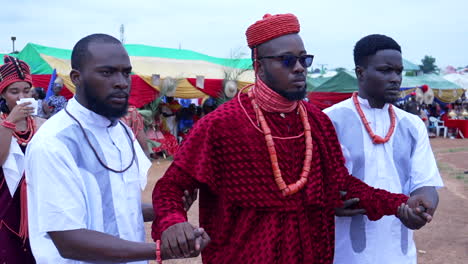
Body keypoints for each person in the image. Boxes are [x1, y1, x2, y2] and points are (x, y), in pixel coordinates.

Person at [152, 14, 432, 264]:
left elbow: (342, 183)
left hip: (311, 253)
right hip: (241, 254)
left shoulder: (316, 122)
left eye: (304, 59)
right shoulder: (221, 124)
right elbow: (172, 186)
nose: (299, 68)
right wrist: (173, 221)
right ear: (259, 67)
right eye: (287, 61)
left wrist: (397, 204)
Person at [24, 34, 207, 264]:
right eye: (107, 72)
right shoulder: (54, 143)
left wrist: (168, 209)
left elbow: (121, 207)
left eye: (125, 72)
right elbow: (68, 240)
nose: (121, 81)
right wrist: (160, 251)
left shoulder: (121, 132)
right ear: (76, 78)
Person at [324, 34, 442, 264]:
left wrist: (423, 209)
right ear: (360, 73)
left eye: (398, 72)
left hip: (398, 252)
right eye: (386, 70)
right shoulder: (330, 121)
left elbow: (426, 184)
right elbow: (318, 188)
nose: (395, 79)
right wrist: (330, 204)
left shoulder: (412, 124)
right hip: (343, 252)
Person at [0, 55, 46, 264]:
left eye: (26, 91)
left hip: (40, 201)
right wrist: (10, 121)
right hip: (6, 205)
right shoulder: (2, 124)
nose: (21, 96)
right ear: (3, 94)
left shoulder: (42, 125)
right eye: (14, 91)